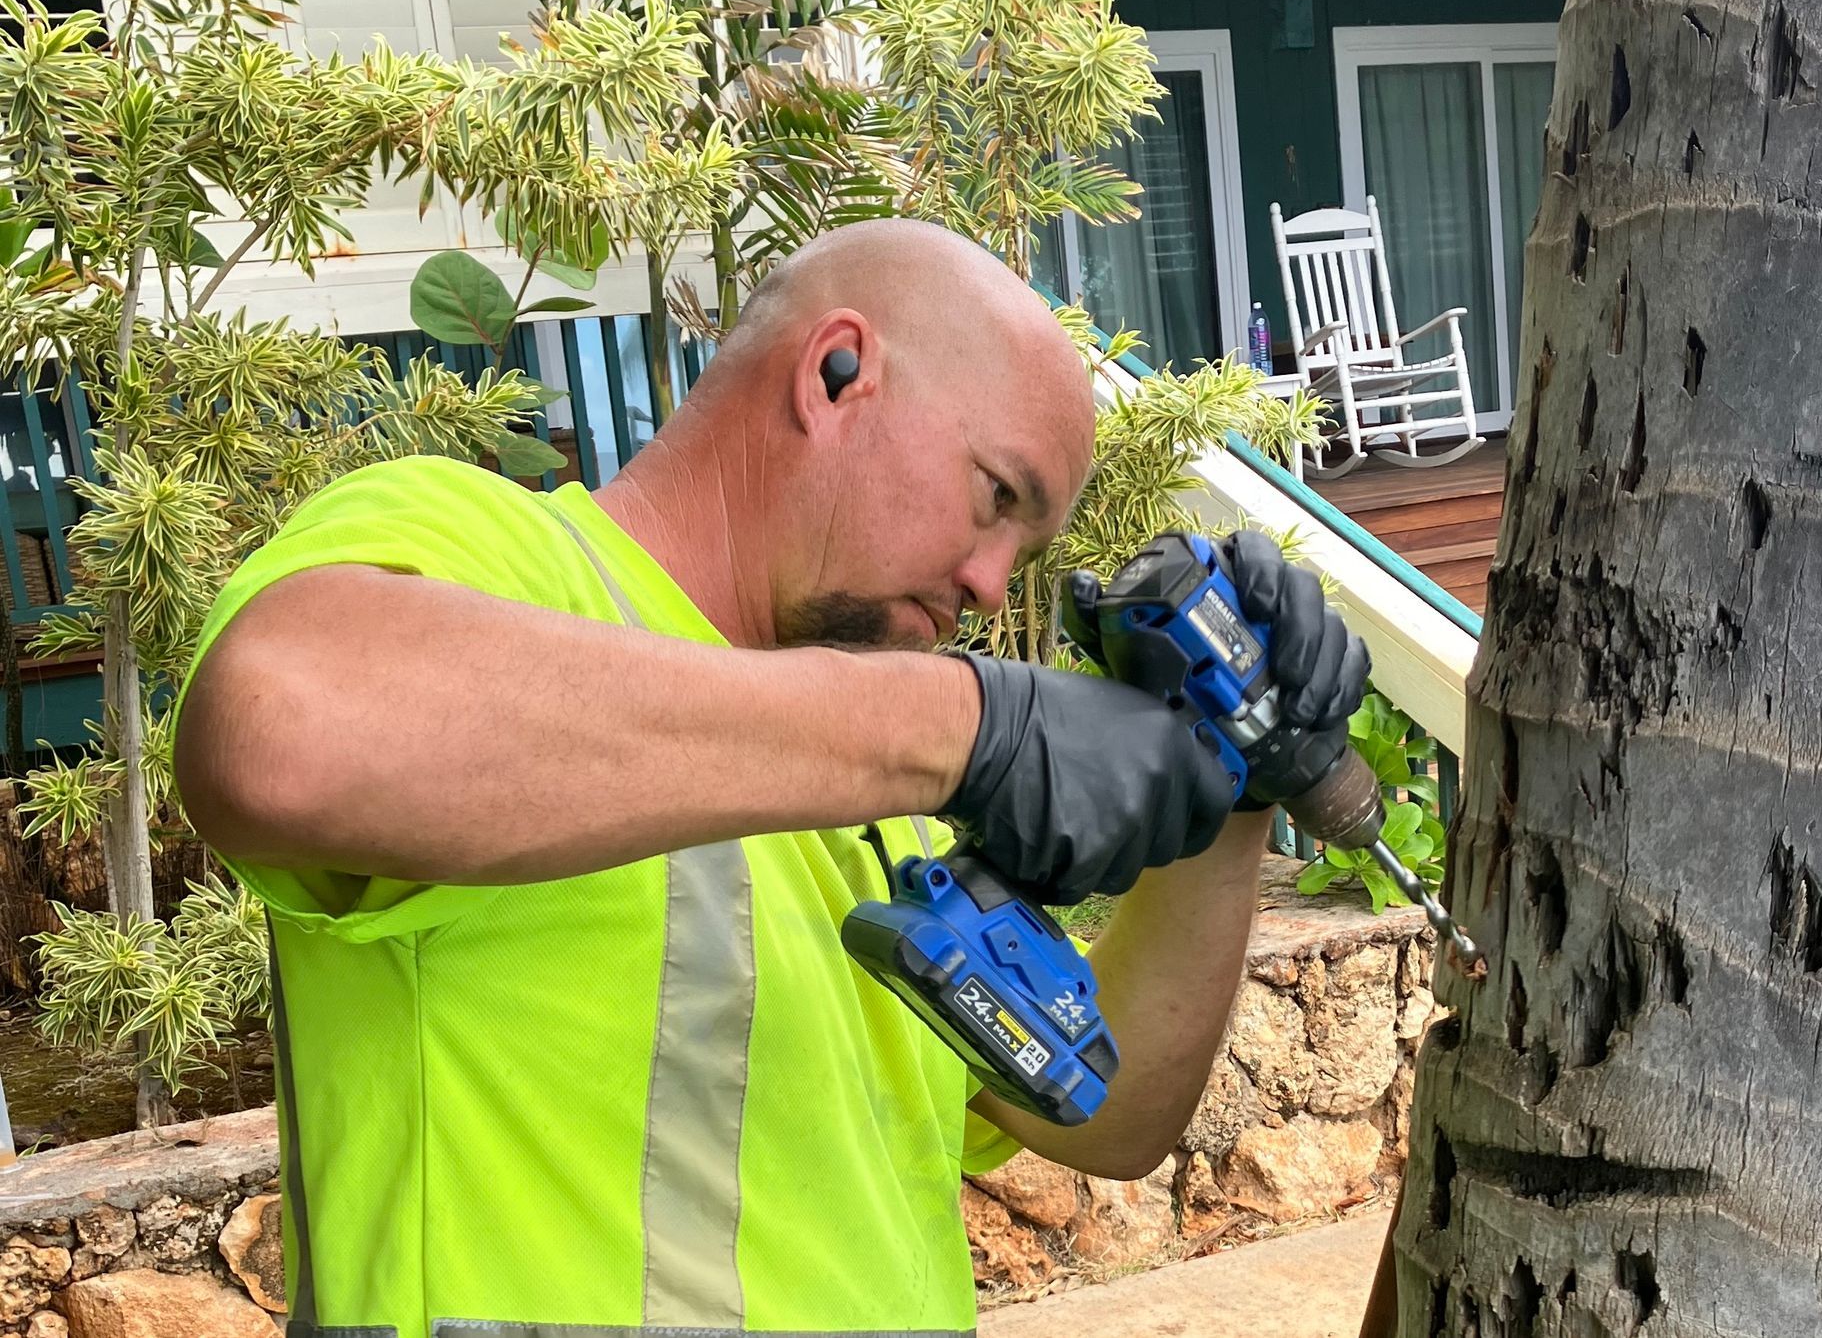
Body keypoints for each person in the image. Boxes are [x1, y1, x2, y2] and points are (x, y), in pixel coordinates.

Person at [173, 218, 1368, 1337]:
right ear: (837, 372)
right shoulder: (499, 561)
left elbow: (1109, 1114)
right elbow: (275, 725)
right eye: (995, 497)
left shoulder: (871, 793)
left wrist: (1237, 782)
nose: (994, 586)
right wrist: (955, 725)